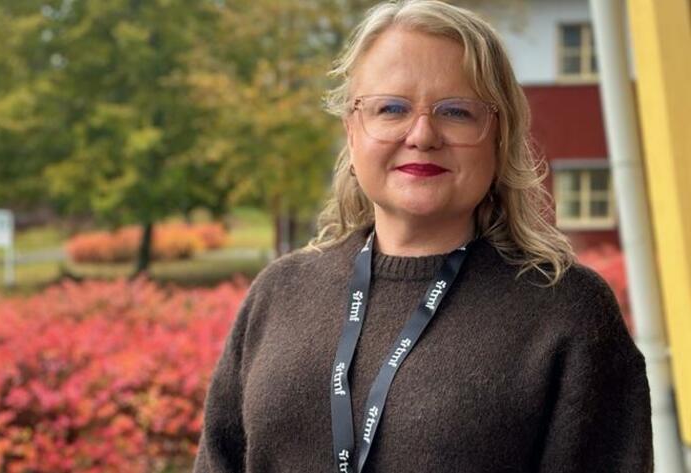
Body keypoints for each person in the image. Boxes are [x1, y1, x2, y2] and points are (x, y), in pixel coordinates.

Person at [193, 1, 653, 472]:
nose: (422, 135)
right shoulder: (280, 293)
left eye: (456, 112)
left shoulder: (566, 313)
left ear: (500, 136)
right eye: (391, 108)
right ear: (352, 130)